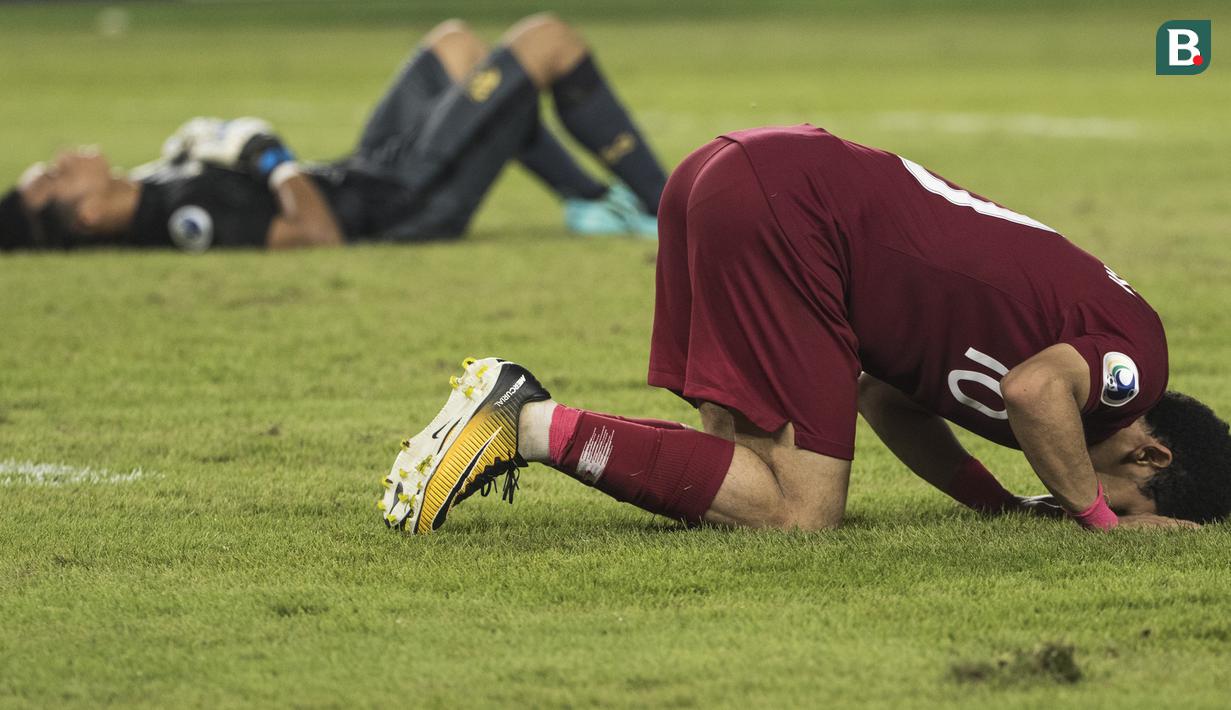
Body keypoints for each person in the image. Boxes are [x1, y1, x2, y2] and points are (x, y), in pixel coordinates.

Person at [377, 125, 1231, 534]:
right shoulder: (1133, 371)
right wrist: (1103, 523)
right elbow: (1031, 390)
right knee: (801, 512)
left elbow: (888, 402)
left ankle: (526, 420)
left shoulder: (1067, 398)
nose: (1080, 491)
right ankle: (521, 421)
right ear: (1151, 456)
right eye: (1120, 491)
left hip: (741, 177)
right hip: (793, 209)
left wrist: (1000, 505)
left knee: (747, 477)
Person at [0, 15, 665, 252]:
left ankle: (586, 202)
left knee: (457, 47)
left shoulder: (153, 189)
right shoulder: (184, 218)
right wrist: (266, 153)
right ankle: (670, 210)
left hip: (369, 172)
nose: (61, 159)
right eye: (54, 176)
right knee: (546, 40)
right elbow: (316, 233)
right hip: (403, 201)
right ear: (86, 214)